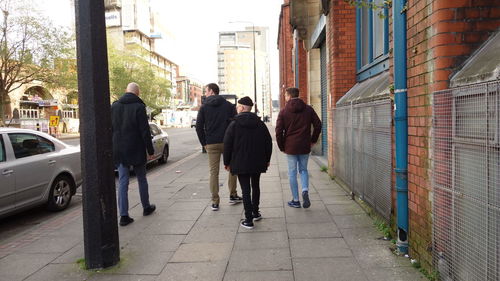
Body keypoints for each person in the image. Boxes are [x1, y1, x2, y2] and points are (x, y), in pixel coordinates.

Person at [223, 97, 272, 229]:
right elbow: (268, 143)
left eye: (238, 106)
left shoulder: (234, 124)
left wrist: (226, 162)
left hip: (240, 162)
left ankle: (248, 219)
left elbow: (227, 145)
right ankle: (255, 213)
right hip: (257, 161)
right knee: (255, 186)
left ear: (243, 108)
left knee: (245, 189)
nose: (236, 108)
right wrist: (267, 159)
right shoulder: (260, 124)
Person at [112, 82, 156, 226]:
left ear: (126, 90)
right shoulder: (139, 107)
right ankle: (146, 207)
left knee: (123, 181)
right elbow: (144, 131)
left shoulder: (115, 106)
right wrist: (150, 151)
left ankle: (124, 216)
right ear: (138, 93)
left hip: (119, 150)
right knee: (142, 179)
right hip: (136, 149)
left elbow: (110, 129)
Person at [196, 83, 242, 211]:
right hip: (227, 142)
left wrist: (204, 143)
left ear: (211, 91)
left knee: (213, 172)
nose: (205, 94)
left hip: (211, 142)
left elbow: (199, 127)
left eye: (206, 91)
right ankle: (233, 195)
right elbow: (235, 123)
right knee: (232, 168)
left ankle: (215, 202)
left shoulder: (204, 107)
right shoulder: (228, 105)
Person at [275, 87, 321, 209]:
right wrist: (313, 140)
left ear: (289, 96)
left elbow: (278, 131)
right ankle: (305, 190)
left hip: (290, 146)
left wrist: (281, 146)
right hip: (305, 145)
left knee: (292, 173)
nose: (285, 98)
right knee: (304, 170)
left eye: (285, 95)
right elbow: (318, 125)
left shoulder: (283, 111)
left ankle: (296, 200)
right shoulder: (308, 109)